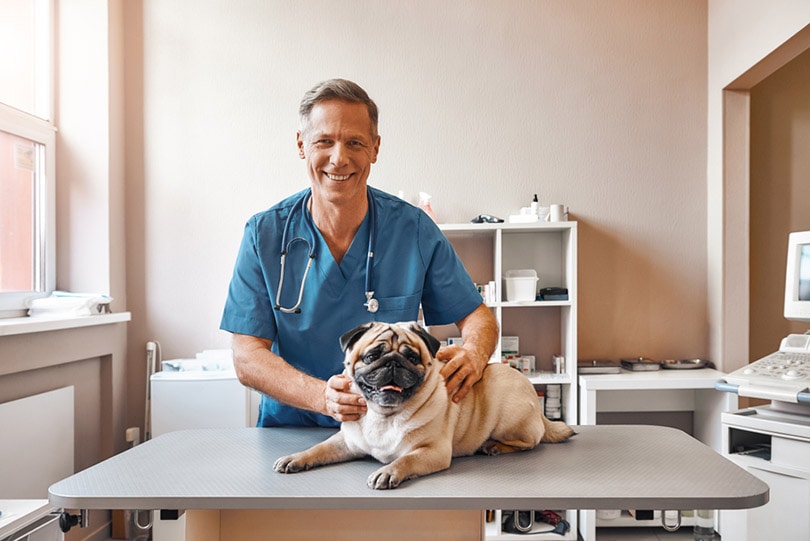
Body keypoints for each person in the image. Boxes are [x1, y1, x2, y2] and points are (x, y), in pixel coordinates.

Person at [220, 78, 498, 427]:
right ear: (301, 144)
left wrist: (474, 353)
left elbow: (478, 316)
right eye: (324, 141)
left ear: (375, 148)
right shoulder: (265, 235)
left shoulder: (413, 230)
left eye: (355, 142)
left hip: (391, 434)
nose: (339, 159)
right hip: (292, 433)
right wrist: (323, 397)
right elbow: (247, 357)